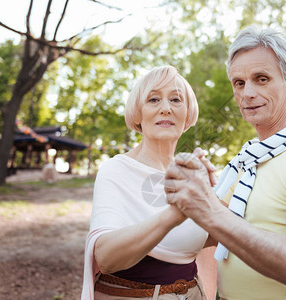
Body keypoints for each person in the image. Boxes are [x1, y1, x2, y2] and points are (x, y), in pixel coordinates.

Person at [164, 26, 286, 300]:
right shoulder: (247, 160)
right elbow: (205, 234)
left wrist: (210, 210)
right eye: (238, 83)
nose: (246, 93)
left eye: (261, 79)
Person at [81, 66, 218, 300]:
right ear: (138, 113)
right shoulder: (115, 170)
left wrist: (211, 200)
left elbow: (209, 239)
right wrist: (175, 214)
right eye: (154, 99)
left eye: (176, 99)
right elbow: (105, 258)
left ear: (187, 114)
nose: (166, 108)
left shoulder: (191, 174)